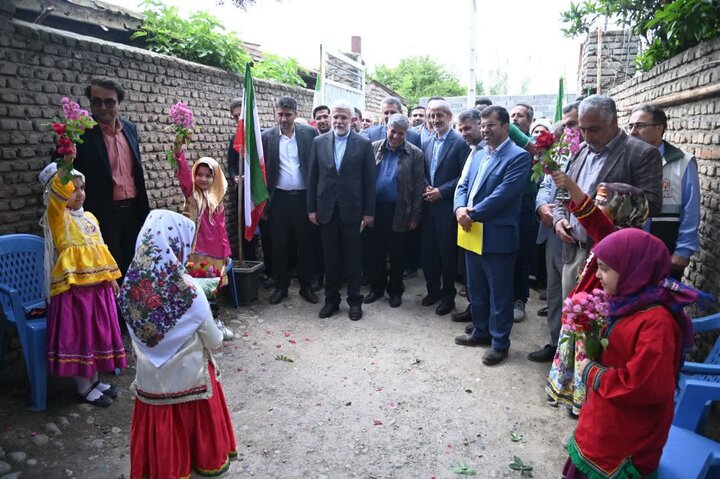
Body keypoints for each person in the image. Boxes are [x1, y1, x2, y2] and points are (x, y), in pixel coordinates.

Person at [562, 228, 711, 479]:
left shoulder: (656, 323)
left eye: (605, 268)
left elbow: (644, 385)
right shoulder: (627, 303)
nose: (598, 275)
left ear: (635, 269)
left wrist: (591, 370)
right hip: (607, 416)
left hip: (627, 435)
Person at [119, 210, 236, 479]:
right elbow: (215, 341)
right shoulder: (190, 291)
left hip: (151, 383)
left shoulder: (130, 288)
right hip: (190, 383)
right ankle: (199, 460)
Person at [546, 172, 650, 416]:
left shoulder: (619, 238)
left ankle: (583, 404)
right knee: (578, 352)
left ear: (622, 209)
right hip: (586, 310)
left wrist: (570, 185)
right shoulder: (612, 236)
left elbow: (591, 216)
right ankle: (575, 399)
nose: (597, 206)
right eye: (598, 201)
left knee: (589, 355)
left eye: (604, 203)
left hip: (596, 315)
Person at [553, 94, 663, 301]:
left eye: (593, 129)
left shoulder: (642, 153)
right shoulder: (581, 150)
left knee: (600, 325)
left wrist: (609, 198)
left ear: (613, 121)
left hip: (612, 261)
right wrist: (559, 218)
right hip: (572, 250)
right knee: (572, 319)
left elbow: (653, 204)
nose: (586, 136)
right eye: (582, 129)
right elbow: (563, 193)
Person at [39, 160, 127, 407]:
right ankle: (82, 387)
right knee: (82, 335)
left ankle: (95, 380)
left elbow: (100, 251)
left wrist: (111, 278)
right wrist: (66, 165)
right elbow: (57, 199)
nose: (79, 194)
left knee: (97, 335)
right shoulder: (57, 219)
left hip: (98, 289)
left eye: (81, 188)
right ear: (57, 192)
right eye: (72, 188)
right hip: (75, 292)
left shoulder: (90, 218)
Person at [453, 106, 532, 366]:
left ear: (506, 126)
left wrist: (471, 214)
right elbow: (463, 185)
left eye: (491, 125)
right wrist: (459, 209)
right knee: (476, 288)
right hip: (470, 231)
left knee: (500, 293)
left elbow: (504, 195)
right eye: (483, 125)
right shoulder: (477, 154)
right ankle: (481, 332)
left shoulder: (518, 157)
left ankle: (500, 343)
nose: (485, 130)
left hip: (497, 236)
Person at [71, 77, 150, 279]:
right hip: (101, 215)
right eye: (96, 102)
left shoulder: (130, 130)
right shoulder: (80, 132)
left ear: (119, 103)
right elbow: (62, 172)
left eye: (109, 102)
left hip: (133, 212)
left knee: (134, 269)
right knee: (110, 274)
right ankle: (112, 312)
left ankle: (132, 310)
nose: (103, 107)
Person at [307, 100, 376, 320]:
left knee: (353, 259)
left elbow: (369, 181)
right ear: (329, 118)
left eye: (343, 117)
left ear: (352, 119)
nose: (338, 121)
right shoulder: (318, 142)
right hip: (326, 209)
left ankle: (355, 302)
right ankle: (332, 301)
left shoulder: (364, 143)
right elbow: (313, 178)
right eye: (335, 117)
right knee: (331, 259)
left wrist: (368, 213)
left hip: (353, 211)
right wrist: (311, 209)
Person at [626, 103, 700, 279]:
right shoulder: (625, 159)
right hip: (629, 250)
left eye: (639, 125)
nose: (632, 132)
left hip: (665, 250)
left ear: (659, 129)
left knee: (663, 303)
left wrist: (683, 251)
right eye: (630, 126)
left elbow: (690, 210)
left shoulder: (682, 162)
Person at [172, 137, 234, 341]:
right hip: (195, 252)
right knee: (193, 290)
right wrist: (179, 154)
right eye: (199, 174)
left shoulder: (218, 202)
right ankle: (193, 327)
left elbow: (223, 230)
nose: (203, 179)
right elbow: (184, 179)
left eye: (208, 176)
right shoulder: (192, 196)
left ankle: (214, 323)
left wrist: (226, 253)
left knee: (212, 291)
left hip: (215, 254)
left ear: (215, 178)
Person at [261, 96, 319, 305]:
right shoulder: (267, 137)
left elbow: (316, 166)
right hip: (279, 201)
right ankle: (281, 287)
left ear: (296, 114)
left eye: (288, 114)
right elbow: (262, 170)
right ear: (275, 114)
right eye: (280, 114)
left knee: (306, 245)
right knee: (279, 246)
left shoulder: (310, 134)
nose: (284, 118)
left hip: (304, 199)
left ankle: (306, 287)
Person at [363, 114, 425, 308]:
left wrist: (415, 215)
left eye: (401, 133)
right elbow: (363, 181)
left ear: (406, 133)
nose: (397, 136)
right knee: (375, 253)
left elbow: (417, 186)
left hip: (400, 211)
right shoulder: (372, 148)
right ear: (386, 128)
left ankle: (395, 291)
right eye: (393, 131)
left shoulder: (415, 154)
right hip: (374, 210)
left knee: (397, 255)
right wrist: (365, 211)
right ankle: (376, 288)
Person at [421, 99, 471, 316]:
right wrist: (426, 187)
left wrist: (441, 191)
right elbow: (421, 169)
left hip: (447, 207)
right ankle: (433, 291)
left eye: (439, 115)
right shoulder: (427, 142)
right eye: (431, 115)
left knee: (447, 254)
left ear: (450, 117)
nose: (435, 119)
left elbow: (463, 176)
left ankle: (448, 296)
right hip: (427, 206)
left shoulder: (460, 143)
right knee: (428, 253)